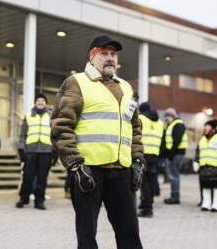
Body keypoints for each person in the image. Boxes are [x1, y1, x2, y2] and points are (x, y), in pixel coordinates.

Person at [51, 35, 145, 249]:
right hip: (89, 172)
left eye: (113, 54)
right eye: (104, 54)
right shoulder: (77, 82)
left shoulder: (126, 88)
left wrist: (138, 161)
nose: (110, 58)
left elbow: (135, 127)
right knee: (87, 235)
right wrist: (75, 165)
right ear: (92, 57)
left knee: (130, 233)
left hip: (122, 172)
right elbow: (61, 126)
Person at [16, 93, 55, 210]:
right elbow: (23, 134)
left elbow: (55, 134)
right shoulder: (28, 116)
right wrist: (21, 149)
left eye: (42, 101)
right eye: (38, 100)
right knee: (27, 176)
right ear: (35, 102)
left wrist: (55, 151)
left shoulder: (51, 116)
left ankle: (39, 201)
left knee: (42, 177)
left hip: (46, 151)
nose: (40, 102)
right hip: (31, 151)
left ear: (45, 103)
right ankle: (24, 198)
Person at [193, 119, 217, 212]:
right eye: (205, 126)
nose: (205, 128)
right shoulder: (202, 138)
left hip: (215, 166)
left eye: (207, 126)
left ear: (213, 127)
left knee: (216, 187)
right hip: (204, 166)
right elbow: (198, 151)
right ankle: (206, 203)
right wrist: (196, 161)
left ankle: (216, 204)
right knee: (205, 186)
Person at [138, 102, 164, 218]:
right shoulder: (160, 122)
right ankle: (147, 204)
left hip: (143, 155)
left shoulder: (141, 119)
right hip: (155, 155)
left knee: (144, 183)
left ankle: (147, 209)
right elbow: (162, 142)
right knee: (151, 181)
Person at [160, 108, 188, 204]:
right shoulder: (171, 125)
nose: (166, 119)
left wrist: (171, 154)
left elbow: (177, 140)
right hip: (174, 154)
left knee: (173, 176)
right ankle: (174, 196)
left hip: (176, 154)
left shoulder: (178, 124)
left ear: (172, 116)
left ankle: (175, 197)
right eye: (165, 118)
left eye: (167, 117)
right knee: (173, 175)